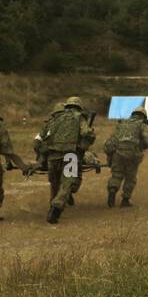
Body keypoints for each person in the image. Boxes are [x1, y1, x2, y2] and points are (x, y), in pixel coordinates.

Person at [35, 96, 95, 224]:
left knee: (55, 183)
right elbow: (86, 133)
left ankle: (53, 202)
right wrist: (88, 140)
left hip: (53, 156)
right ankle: (55, 210)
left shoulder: (54, 119)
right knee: (67, 184)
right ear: (79, 107)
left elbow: (42, 137)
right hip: (70, 156)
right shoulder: (79, 117)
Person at [104, 106, 148, 208]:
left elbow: (111, 141)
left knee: (116, 174)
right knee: (130, 177)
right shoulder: (142, 125)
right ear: (143, 116)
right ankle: (125, 200)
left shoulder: (122, 124)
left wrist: (110, 154)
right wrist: (142, 146)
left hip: (118, 153)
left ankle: (113, 189)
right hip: (133, 154)